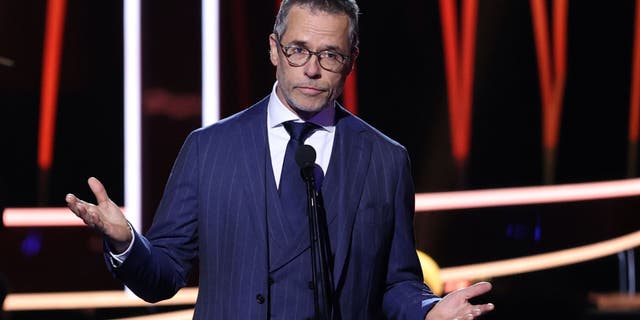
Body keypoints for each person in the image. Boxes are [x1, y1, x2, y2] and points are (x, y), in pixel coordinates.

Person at [65, 0, 495, 319]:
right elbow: (162, 277)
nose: (312, 69)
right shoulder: (210, 149)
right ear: (274, 49)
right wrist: (126, 243)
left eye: (330, 55)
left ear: (351, 62)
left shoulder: (384, 160)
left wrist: (427, 310)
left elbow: (396, 282)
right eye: (298, 50)